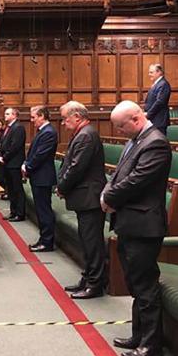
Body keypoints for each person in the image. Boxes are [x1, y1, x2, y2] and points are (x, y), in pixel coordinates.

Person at [102, 101, 171, 356]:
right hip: (130, 222)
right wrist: (108, 193)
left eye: (120, 126)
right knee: (133, 281)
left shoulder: (156, 142)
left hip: (144, 225)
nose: (118, 131)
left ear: (135, 119)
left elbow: (137, 181)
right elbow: (120, 174)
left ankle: (151, 345)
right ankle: (138, 334)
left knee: (145, 285)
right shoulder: (137, 140)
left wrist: (108, 198)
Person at [57, 101, 107, 299]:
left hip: (90, 198)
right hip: (84, 197)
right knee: (87, 241)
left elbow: (77, 168)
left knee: (92, 242)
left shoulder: (86, 136)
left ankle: (95, 284)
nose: (63, 123)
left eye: (65, 118)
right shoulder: (83, 133)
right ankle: (88, 278)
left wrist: (62, 187)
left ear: (77, 117)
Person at [23, 106, 58, 252]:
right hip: (38, 176)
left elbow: (40, 155)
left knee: (44, 211)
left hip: (43, 177)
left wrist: (27, 167)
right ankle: (44, 239)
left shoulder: (49, 132)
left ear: (42, 116)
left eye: (34, 117)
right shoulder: (43, 131)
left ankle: (47, 242)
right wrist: (26, 163)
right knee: (41, 209)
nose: (32, 121)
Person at [0, 107, 27, 221]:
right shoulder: (9, 127)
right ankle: (13, 211)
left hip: (14, 163)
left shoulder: (18, 127)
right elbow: (3, 143)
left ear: (14, 115)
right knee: (10, 189)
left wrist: (4, 157)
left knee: (17, 189)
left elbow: (15, 146)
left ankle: (20, 214)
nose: (5, 116)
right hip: (8, 163)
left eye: (7, 114)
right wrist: (1, 155)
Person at [144, 64, 171, 134]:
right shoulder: (157, 84)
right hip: (154, 120)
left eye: (151, 72)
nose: (149, 74)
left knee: (158, 143)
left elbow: (160, 102)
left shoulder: (163, 84)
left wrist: (148, 114)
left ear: (159, 72)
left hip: (159, 121)